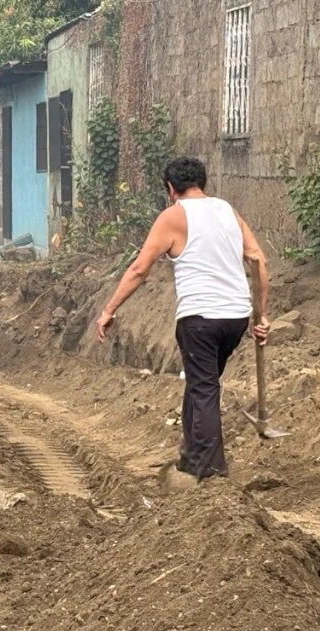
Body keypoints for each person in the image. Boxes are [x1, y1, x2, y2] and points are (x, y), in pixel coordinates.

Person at [95, 157, 270, 483]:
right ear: (202, 183)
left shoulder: (173, 216)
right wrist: (262, 314)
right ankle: (190, 461)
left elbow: (139, 269)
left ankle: (211, 474)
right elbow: (258, 259)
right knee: (200, 381)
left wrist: (109, 310)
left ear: (171, 189)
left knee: (204, 387)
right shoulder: (227, 210)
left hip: (200, 319)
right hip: (235, 318)